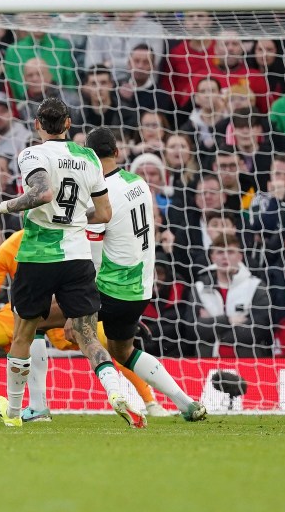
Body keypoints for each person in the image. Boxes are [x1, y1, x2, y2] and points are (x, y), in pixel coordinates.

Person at [0, 97, 140, 429]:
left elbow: (43, 193)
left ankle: (16, 412)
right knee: (88, 335)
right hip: (77, 257)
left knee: (23, 332)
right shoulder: (89, 156)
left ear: (37, 125)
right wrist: (78, 216)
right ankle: (115, 390)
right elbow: (104, 214)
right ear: (68, 124)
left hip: (38, 256)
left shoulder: (33, 154)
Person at [0, 229, 169, 421]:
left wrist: (119, 316)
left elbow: (93, 282)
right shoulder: (9, 247)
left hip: (62, 310)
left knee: (111, 344)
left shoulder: (71, 239)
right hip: (19, 312)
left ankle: (150, 402)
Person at [83, 127, 206, 421]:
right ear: (117, 152)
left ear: (89, 158)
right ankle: (186, 402)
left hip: (110, 287)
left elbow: (95, 249)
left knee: (37, 318)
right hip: (141, 289)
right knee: (122, 350)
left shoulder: (101, 195)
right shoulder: (138, 183)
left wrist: (84, 291)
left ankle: (113, 395)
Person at [186, 233, 273, 357]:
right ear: (212, 257)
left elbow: (258, 331)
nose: (225, 257)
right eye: (220, 252)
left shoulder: (256, 286)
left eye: (231, 252)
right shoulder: (199, 288)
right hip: (207, 363)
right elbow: (193, 330)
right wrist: (228, 321)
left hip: (247, 363)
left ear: (240, 256)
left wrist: (212, 326)